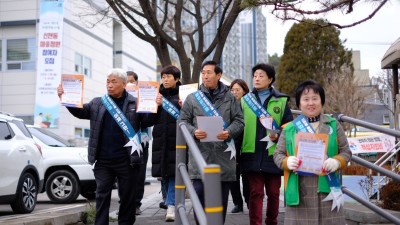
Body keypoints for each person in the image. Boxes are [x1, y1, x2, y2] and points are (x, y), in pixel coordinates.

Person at [57, 68, 161, 225]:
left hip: (127, 160)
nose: (110, 85)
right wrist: (66, 98)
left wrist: (157, 107)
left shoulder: (135, 102)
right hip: (103, 161)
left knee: (127, 197)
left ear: (124, 84)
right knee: (101, 195)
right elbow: (80, 112)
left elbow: (148, 121)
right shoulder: (98, 103)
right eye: (108, 82)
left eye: (114, 82)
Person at [273, 80, 352, 225]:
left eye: (315, 98)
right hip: (299, 191)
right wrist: (286, 162)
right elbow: (277, 154)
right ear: (299, 103)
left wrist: (336, 161)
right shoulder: (290, 128)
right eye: (306, 99)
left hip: (327, 190)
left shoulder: (333, 124)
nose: (311, 103)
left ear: (321, 101)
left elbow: (346, 152)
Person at [178, 60, 244, 224]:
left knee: (220, 205)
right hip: (200, 157)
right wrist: (194, 132)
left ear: (218, 75)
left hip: (224, 157)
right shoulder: (193, 98)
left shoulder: (230, 98)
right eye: (203, 72)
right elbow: (183, 121)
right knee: (199, 198)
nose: (205, 76)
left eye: (209, 72)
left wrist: (228, 132)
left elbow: (240, 121)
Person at [240, 63, 293, 225]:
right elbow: (238, 122)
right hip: (251, 152)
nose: (257, 78)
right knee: (255, 192)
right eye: (255, 75)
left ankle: (272, 222)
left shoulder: (281, 101)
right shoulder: (244, 100)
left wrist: (278, 133)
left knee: (273, 193)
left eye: (261, 75)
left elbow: (289, 125)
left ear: (270, 79)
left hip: (274, 154)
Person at [152, 65, 182, 222]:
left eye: (168, 76)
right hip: (160, 140)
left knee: (174, 174)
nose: (165, 79)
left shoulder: (184, 95)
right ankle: (168, 201)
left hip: (177, 140)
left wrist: (183, 106)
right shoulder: (156, 95)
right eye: (163, 76)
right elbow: (149, 119)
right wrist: (155, 106)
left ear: (177, 79)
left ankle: (171, 205)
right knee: (163, 174)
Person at [126, 70, 150, 215]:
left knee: (139, 174)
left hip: (141, 140)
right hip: (124, 142)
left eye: (132, 81)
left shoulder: (144, 96)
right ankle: (125, 204)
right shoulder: (118, 99)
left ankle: (136, 204)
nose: (129, 84)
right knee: (124, 175)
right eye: (126, 81)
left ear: (137, 83)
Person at [229, 79, 250, 213]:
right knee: (233, 176)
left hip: (247, 143)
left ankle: (249, 200)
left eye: (238, 90)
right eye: (233, 90)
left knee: (247, 176)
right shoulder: (228, 105)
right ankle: (238, 203)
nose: (235, 92)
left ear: (244, 91)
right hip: (232, 144)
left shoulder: (250, 105)